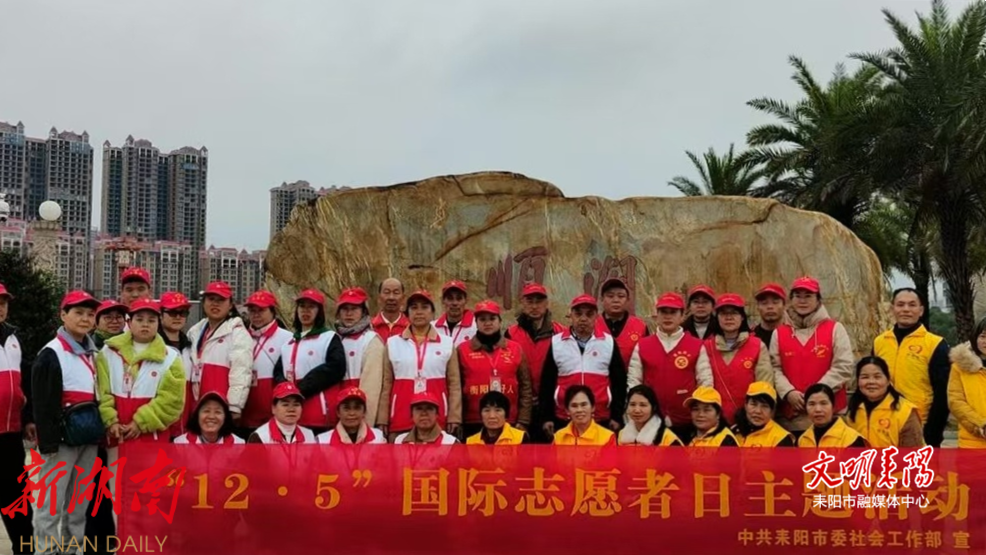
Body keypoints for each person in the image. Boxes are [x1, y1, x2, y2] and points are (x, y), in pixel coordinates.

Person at [97, 297, 185, 509]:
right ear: (129, 322)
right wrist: (111, 421)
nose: (145, 324)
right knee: (118, 495)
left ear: (158, 323)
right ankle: (122, 532)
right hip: (117, 438)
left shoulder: (171, 357)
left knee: (150, 496)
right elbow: (102, 392)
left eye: (151, 320)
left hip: (152, 439)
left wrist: (141, 422)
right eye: (140, 319)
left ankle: (149, 533)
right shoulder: (107, 353)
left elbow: (172, 401)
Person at [31, 291, 103, 550]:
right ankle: (46, 550)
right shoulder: (51, 352)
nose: (85, 319)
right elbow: (42, 403)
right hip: (60, 443)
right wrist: (48, 444)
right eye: (78, 313)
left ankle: (71, 550)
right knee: (50, 505)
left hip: (88, 439)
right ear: (63, 315)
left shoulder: (94, 353)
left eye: (90, 314)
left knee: (78, 506)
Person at [772, 276, 854, 434]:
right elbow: (775, 368)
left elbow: (844, 366)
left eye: (808, 296)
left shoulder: (835, 329)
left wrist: (816, 394)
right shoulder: (779, 333)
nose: (802, 301)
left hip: (831, 417)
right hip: (791, 420)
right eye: (798, 296)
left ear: (818, 300)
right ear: (791, 300)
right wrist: (788, 392)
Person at [539, 295, 627, 440]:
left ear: (596, 316)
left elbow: (619, 382)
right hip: (564, 416)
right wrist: (546, 417)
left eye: (589, 314)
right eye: (578, 314)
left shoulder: (608, 342)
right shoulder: (557, 342)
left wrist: (617, 416)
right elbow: (547, 383)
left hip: (600, 417)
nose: (583, 319)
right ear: (571, 315)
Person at [378, 290, 462, 441]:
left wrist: (454, 416)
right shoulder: (393, 343)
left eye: (424, 307)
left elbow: (454, 384)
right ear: (407, 313)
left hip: (436, 416)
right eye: (414, 307)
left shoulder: (447, 343)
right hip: (401, 415)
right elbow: (386, 384)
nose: (419, 312)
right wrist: (383, 418)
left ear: (433, 312)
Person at [871, 288, 950, 447]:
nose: (906, 309)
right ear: (892, 309)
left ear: (921, 310)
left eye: (912, 305)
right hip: (883, 425)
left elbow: (943, 393)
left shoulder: (934, 344)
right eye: (900, 305)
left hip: (921, 425)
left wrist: (933, 432)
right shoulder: (880, 342)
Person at [628, 292, 704, 437]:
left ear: (682, 316)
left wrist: (700, 413)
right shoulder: (643, 345)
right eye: (663, 312)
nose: (668, 317)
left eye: (673, 312)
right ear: (656, 315)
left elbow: (705, 383)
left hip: (687, 421)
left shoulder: (697, 345)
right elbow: (633, 382)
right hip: (651, 421)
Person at [272, 289, 346, 435]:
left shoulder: (329, 338)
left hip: (320, 415)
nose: (305, 311)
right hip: (293, 416)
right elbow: (278, 372)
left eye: (311, 307)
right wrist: (287, 390)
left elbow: (336, 367)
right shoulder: (289, 343)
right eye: (302, 306)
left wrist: (301, 388)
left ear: (319, 311)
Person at [458, 300, 533, 438]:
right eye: (482, 319)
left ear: (500, 321)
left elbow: (526, 388)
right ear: (476, 323)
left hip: (509, 420)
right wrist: (458, 420)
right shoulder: (462, 350)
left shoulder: (515, 349)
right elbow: (456, 388)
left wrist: (523, 420)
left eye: (492, 318)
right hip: (473, 421)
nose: (487, 323)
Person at [696, 294, 773, 425]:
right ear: (717, 317)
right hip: (715, 422)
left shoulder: (757, 346)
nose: (729, 317)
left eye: (734, 313)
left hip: (749, 421)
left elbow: (765, 386)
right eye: (723, 313)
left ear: (742, 317)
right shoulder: (706, 347)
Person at [187, 281, 253, 426]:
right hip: (197, 403)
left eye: (221, 300)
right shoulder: (195, 331)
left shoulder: (238, 333)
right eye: (211, 299)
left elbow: (241, 371)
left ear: (230, 305)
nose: (215, 304)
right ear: (204, 303)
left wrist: (234, 406)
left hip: (221, 408)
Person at [504, 283, 563, 442]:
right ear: (522, 303)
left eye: (539, 301)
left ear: (547, 303)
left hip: (551, 406)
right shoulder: (511, 334)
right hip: (521, 406)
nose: (535, 306)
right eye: (530, 301)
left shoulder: (560, 333)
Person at [0, 283, 32, 555]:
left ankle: (25, 549)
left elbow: (24, 381)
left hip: (11, 434)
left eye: (3, 303)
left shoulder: (14, 338)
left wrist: (28, 418)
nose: (0, 308)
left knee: (17, 499)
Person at [329, 287, 385, 428]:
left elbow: (372, 388)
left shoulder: (371, 340)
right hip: (335, 414)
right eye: (345, 309)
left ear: (363, 311)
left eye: (354, 308)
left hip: (358, 414)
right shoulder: (332, 339)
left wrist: (365, 425)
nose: (349, 313)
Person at [241, 290, 292, 435]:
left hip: (275, 415)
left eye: (261, 310)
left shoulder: (287, 338)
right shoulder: (241, 337)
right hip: (245, 415)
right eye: (252, 311)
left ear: (273, 311)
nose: (256, 315)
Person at [847, 356, 923, 448]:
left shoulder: (905, 411)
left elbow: (913, 452)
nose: (871, 382)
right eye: (865, 377)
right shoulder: (853, 409)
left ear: (888, 381)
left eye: (877, 377)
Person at [159, 291, 194, 437]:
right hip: (160, 424)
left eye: (183, 313)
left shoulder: (191, 347)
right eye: (173, 312)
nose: (178, 317)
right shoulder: (154, 346)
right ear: (161, 315)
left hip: (185, 425)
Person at [947, 318, 986, 448]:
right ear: (975, 338)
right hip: (971, 443)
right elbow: (956, 401)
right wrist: (981, 424)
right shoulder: (960, 366)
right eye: (983, 336)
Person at [595, 277, 649, 367]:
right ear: (601, 299)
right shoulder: (593, 324)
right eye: (610, 296)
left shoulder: (640, 326)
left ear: (628, 299)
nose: (616, 300)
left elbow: (647, 357)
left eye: (621, 296)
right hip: (599, 375)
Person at [797, 383, 867, 447]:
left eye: (823, 403)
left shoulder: (851, 439)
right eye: (812, 404)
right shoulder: (802, 440)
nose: (818, 409)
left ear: (833, 407)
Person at [248, 381, 316, 444]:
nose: (291, 409)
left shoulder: (309, 435)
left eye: (296, 404)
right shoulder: (260, 436)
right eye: (285, 405)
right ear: (273, 408)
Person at [731, 381, 795, 447]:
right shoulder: (734, 432)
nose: (758, 411)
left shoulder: (781, 438)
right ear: (745, 405)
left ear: (773, 411)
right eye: (753, 404)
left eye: (765, 406)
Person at [317, 387, 386, 444]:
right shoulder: (323, 441)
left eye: (357, 408)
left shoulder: (378, 438)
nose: (352, 413)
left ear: (364, 412)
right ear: (338, 412)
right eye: (346, 408)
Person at [618, 385, 682, 446]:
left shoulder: (668, 438)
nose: (637, 410)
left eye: (643, 405)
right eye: (632, 404)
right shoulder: (621, 436)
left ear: (654, 408)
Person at [174, 391, 244, 444]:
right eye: (206, 411)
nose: (211, 416)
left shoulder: (238, 444)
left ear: (225, 417)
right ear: (197, 415)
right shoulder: (181, 444)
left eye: (217, 412)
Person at [394, 392, 459, 444]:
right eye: (419, 408)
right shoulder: (400, 441)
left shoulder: (451, 442)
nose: (424, 413)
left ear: (437, 414)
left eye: (429, 408)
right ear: (411, 414)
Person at [433, 280, 476, 347]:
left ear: (466, 300)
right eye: (450, 299)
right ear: (443, 301)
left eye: (459, 299)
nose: (455, 303)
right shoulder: (432, 328)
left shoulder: (476, 327)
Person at [752, 283, 786, 348]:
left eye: (775, 302)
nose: (770, 307)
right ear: (757, 307)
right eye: (764, 303)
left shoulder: (794, 336)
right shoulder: (750, 338)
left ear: (784, 305)